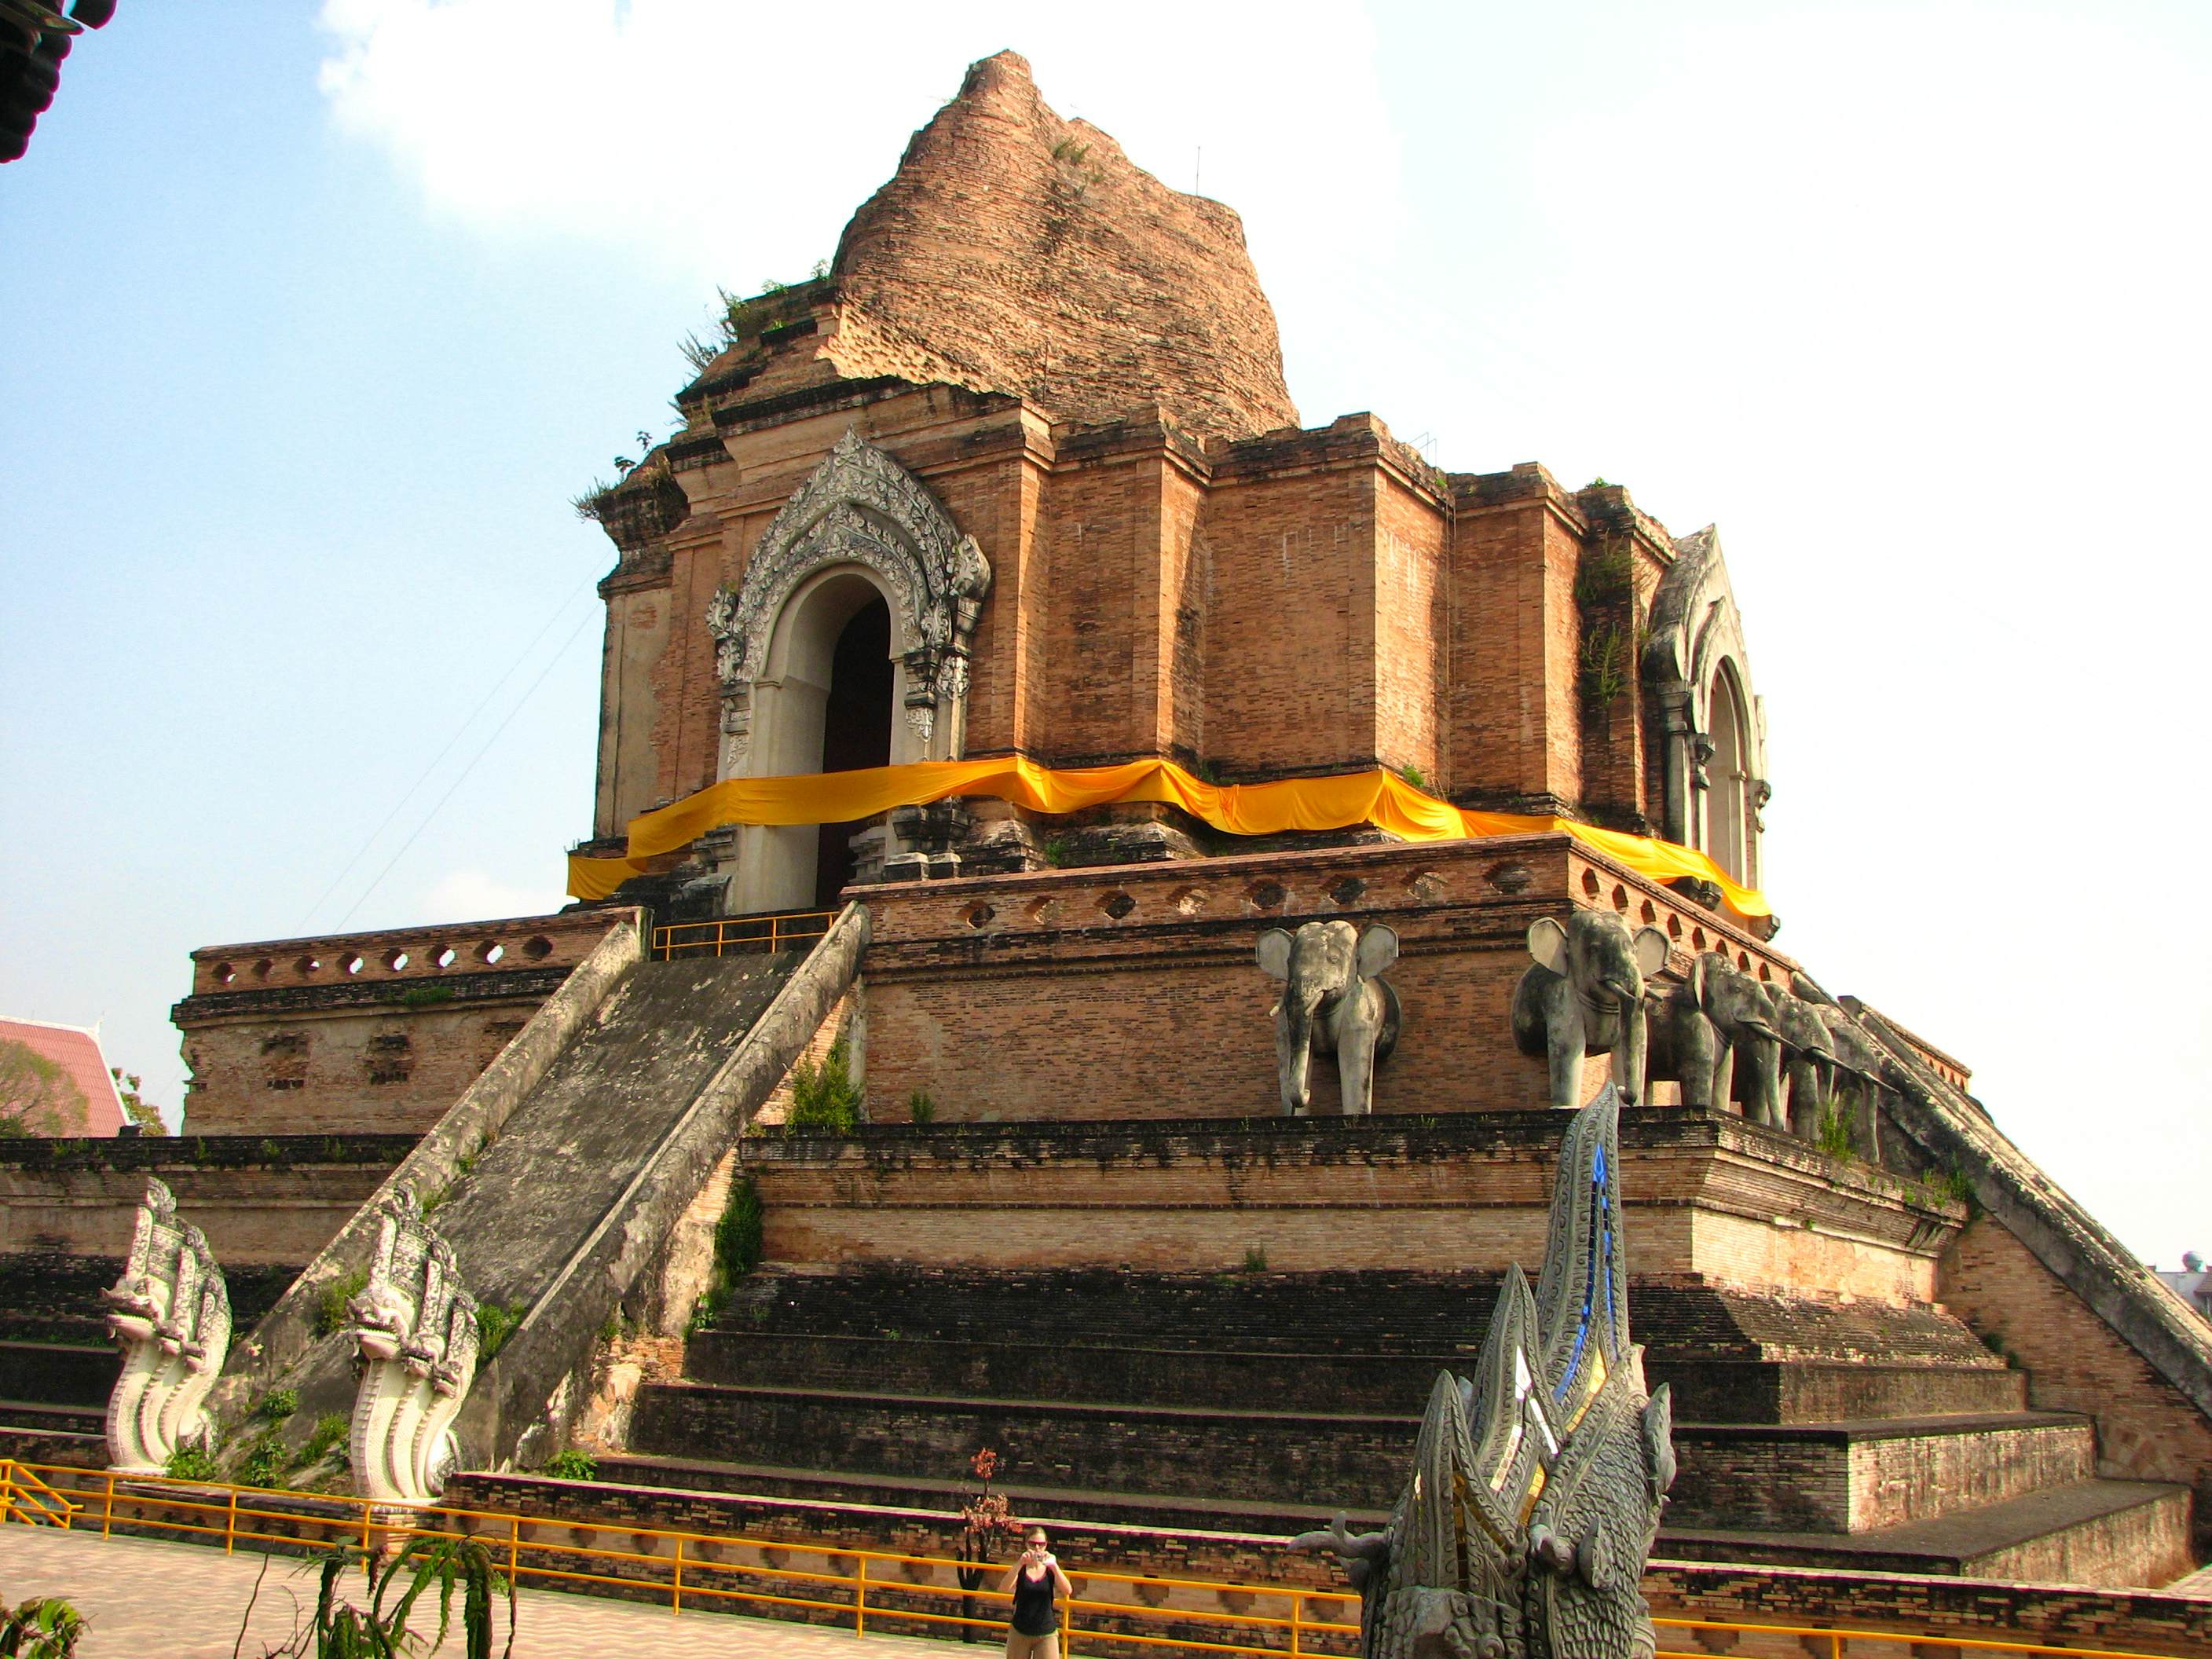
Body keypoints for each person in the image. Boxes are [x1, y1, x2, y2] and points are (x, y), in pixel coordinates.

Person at [999, 1526, 1072, 1659]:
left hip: (1046, 1632)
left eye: (1041, 1544)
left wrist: (1055, 1567)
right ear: (1026, 1544)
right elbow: (1003, 1588)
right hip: (1020, 1631)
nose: (1037, 1548)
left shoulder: (1050, 1569)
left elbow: (1068, 1590)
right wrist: (1019, 1564)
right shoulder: (1021, 1568)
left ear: (1046, 1545)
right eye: (1033, 1544)